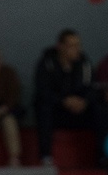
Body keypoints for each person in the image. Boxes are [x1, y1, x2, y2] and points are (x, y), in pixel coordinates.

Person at [34, 29, 94, 164]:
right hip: (56, 110)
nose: (77, 49)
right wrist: (64, 101)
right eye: (72, 46)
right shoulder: (46, 63)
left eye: (78, 45)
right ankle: (46, 156)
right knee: (43, 108)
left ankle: (101, 158)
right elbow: (43, 91)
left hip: (78, 111)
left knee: (99, 110)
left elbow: (91, 87)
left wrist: (83, 101)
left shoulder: (85, 63)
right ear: (60, 47)